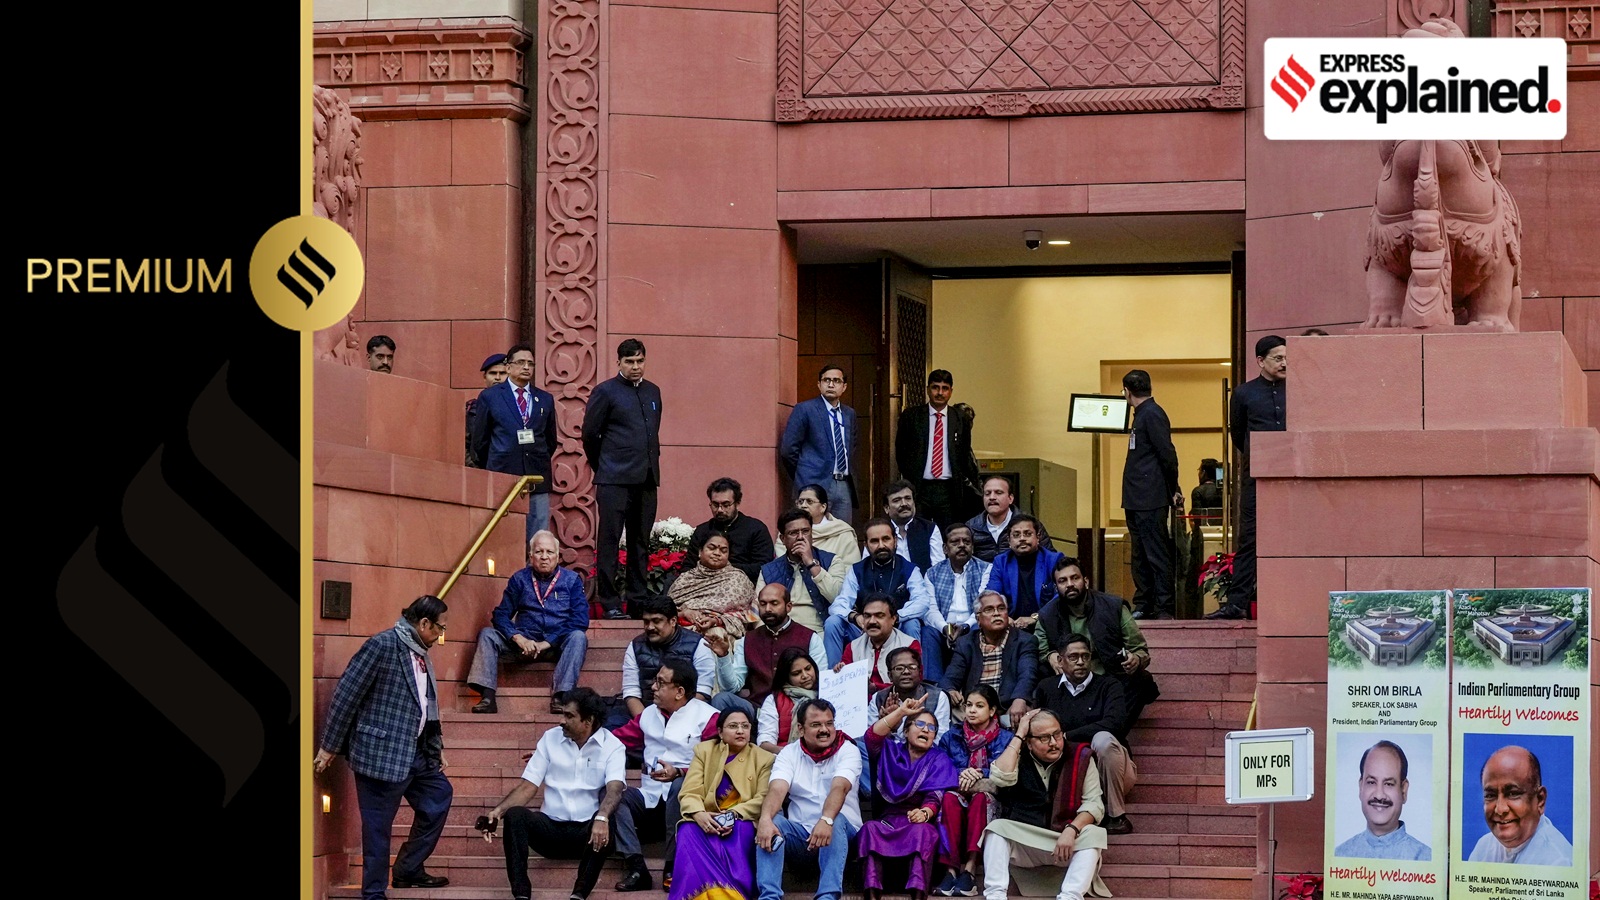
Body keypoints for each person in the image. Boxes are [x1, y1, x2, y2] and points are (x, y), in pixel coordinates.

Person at [314, 596, 453, 899]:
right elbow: (345, 696)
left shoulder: (421, 652)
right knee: (377, 830)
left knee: (439, 796)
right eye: (439, 629)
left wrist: (435, 744)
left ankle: (408, 869)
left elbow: (426, 702)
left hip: (416, 753)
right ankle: (374, 893)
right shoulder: (382, 645)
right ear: (423, 623)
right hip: (380, 755)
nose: (441, 635)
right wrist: (329, 747)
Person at [480, 688, 626, 900]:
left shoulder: (612, 746)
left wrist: (602, 817)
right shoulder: (550, 738)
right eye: (562, 714)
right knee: (515, 816)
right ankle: (521, 895)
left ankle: (579, 894)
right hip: (550, 830)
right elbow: (528, 786)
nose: (561, 721)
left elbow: (615, 789)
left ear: (588, 720)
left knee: (607, 819)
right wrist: (498, 811)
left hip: (588, 835)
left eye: (569, 716)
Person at [609, 659, 721, 891]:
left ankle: (672, 865)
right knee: (615, 796)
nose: (653, 687)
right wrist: (562, 745)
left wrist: (680, 772)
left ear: (679, 691)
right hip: (651, 796)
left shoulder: (709, 717)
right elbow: (613, 740)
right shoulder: (649, 714)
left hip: (689, 800)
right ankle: (637, 867)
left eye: (660, 683)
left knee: (679, 786)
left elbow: (717, 764)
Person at [982, 709, 1109, 900]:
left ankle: (1070, 896)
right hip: (1026, 840)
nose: (1053, 743)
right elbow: (1000, 778)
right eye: (1043, 738)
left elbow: (1094, 804)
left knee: (1094, 834)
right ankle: (995, 896)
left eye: (1057, 735)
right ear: (1029, 742)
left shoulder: (1080, 757)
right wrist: (1019, 735)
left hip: (1066, 842)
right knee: (996, 828)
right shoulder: (1017, 754)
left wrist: (1072, 829)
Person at [467, 530, 590, 714]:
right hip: (525, 644)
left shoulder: (571, 581)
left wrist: (548, 642)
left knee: (578, 637)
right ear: (531, 556)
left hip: (556, 645)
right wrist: (518, 638)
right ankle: (487, 697)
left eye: (549, 552)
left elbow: (580, 620)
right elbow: (501, 615)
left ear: (557, 557)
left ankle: (560, 697)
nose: (544, 557)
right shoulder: (520, 579)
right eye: (539, 552)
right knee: (487, 634)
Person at [583, 338, 663, 619]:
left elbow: (652, 434)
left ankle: (638, 600)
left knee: (640, 542)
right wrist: (603, 467)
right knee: (610, 539)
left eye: (640, 361)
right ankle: (610, 601)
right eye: (629, 362)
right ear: (618, 362)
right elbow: (590, 436)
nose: (635, 367)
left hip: (647, 478)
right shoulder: (605, 391)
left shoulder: (653, 391)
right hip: (613, 479)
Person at [755, 699, 864, 900]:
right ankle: (769, 897)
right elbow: (777, 789)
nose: (824, 729)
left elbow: (840, 787)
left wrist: (826, 820)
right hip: (802, 838)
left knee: (836, 819)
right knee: (773, 823)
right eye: (816, 725)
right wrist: (765, 819)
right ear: (801, 729)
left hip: (843, 837)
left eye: (829, 723)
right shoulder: (790, 752)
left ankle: (827, 897)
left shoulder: (848, 750)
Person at [1210, 335, 1286, 620]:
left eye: (1287, 357)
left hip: (1290, 475)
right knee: (1250, 539)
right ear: (1260, 361)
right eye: (1278, 358)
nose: (1284, 363)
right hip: (1256, 475)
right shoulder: (1243, 393)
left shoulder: (1297, 388)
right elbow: (1239, 434)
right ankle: (1237, 603)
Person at [1035, 557, 1159, 729]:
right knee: (1040, 674)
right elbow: (1039, 649)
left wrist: (1136, 659)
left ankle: (1109, 730)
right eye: (1063, 581)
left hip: (1107, 680)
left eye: (1075, 578)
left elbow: (1140, 650)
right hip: (1069, 684)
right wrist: (1049, 655)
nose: (1070, 584)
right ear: (1056, 587)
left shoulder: (1113, 607)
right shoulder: (1046, 615)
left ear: (1085, 581)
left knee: (1141, 679)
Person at [1032, 635, 1136, 835]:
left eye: (1085, 656)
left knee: (1103, 739)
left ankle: (1116, 816)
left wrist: (1065, 736)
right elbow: (1038, 727)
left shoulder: (1109, 685)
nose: (1080, 662)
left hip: (1112, 771)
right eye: (1073, 657)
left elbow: (1115, 724)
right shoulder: (1046, 687)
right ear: (1060, 661)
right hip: (1069, 772)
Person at [860, 698, 961, 900]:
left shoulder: (938, 758)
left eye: (932, 728)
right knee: (870, 828)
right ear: (906, 731)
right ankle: (872, 894)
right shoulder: (890, 751)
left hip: (917, 820)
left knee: (923, 832)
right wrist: (901, 711)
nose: (926, 730)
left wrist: (925, 812)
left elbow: (936, 796)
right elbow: (871, 737)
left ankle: (917, 893)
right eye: (920, 724)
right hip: (889, 821)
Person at [671, 709, 776, 900]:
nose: (740, 731)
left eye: (745, 726)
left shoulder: (764, 758)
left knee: (738, 832)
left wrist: (732, 814)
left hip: (741, 819)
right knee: (687, 829)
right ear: (720, 732)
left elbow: (763, 798)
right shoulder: (704, 751)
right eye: (733, 726)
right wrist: (698, 814)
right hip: (706, 817)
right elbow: (689, 791)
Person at [468, 342, 559, 541]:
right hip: (503, 474)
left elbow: (550, 440)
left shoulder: (544, 399)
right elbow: (480, 442)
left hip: (537, 476)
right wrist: (493, 465)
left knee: (538, 536)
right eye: (521, 362)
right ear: (508, 367)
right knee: (504, 535)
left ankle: (535, 572)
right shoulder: (490, 397)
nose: (526, 367)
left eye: (530, 363)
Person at [933, 685, 1014, 898]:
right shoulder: (951, 736)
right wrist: (964, 772)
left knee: (980, 799)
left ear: (992, 710)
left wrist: (980, 771)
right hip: (958, 790)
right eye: (969, 705)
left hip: (992, 797)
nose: (972, 710)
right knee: (950, 799)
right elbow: (940, 767)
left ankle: (968, 870)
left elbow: (1007, 769)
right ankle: (950, 871)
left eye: (979, 706)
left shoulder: (1006, 738)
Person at [826, 518, 935, 668]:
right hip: (865, 629)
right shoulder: (856, 570)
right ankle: (835, 680)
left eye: (886, 539)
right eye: (874, 541)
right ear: (866, 545)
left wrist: (894, 619)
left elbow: (922, 602)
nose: (881, 545)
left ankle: (912, 678)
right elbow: (838, 605)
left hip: (897, 629)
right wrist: (855, 617)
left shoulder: (909, 569)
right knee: (833, 623)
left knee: (912, 623)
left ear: (895, 541)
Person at [1120, 369, 1180, 621]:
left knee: (1155, 553)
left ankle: (1164, 607)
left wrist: (1173, 488)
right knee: (1140, 554)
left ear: (1127, 391)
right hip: (1137, 497)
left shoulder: (1152, 414)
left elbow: (1167, 454)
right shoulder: (1143, 415)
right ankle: (1144, 603)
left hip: (1150, 497)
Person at [895, 369, 981, 530]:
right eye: (935, 387)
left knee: (948, 534)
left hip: (949, 489)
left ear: (951, 391)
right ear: (928, 389)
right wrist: (910, 477)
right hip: (920, 488)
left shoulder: (960, 418)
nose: (940, 393)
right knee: (918, 532)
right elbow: (901, 451)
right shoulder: (912, 416)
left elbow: (964, 455)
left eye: (945, 388)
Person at [941, 590, 1039, 725]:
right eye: (989, 610)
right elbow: (950, 678)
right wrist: (950, 690)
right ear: (978, 619)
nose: (997, 613)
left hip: (1007, 708)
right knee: (946, 707)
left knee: (1026, 712)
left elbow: (1028, 674)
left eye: (1001, 608)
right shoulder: (966, 643)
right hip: (974, 709)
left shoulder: (1025, 640)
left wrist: (1020, 698)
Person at [1467, 745, 1573, 865]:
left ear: (1540, 800)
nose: (1500, 809)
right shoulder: (1483, 848)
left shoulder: (1558, 861)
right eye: (1491, 795)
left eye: (1513, 793)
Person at [781, 364, 859, 525]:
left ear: (844, 387)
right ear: (819, 384)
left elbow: (852, 448)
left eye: (836, 381)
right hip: (812, 483)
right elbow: (788, 450)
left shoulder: (849, 413)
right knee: (810, 532)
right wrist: (804, 472)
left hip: (843, 484)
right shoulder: (805, 409)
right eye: (826, 380)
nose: (831, 384)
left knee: (842, 534)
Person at [756, 508, 850, 636]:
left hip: (819, 633)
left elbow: (837, 598)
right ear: (783, 539)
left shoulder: (832, 561)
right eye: (793, 533)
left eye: (805, 531)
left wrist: (811, 564)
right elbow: (758, 609)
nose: (801, 537)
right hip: (780, 632)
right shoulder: (768, 570)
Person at [1333, 740, 1431, 861]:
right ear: (1361, 787)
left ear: (1403, 791)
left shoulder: (1425, 858)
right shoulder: (1340, 855)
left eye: (1389, 784)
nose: (1379, 795)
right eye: (1371, 782)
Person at [621, 596, 717, 718]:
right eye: (646, 621)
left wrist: (676, 721)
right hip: (643, 715)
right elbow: (631, 692)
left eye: (656, 621)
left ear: (673, 621)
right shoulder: (635, 646)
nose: (649, 627)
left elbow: (702, 692)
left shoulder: (698, 645)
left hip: (688, 716)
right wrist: (646, 723)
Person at [743, 581, 826, 705]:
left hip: (798, 707)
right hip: (756, 707)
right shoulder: (747, 639)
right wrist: (723, 657)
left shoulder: (810, 638)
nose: (767, 609)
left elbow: (821, 681)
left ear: (789, 607)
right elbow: (732, 686)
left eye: (774, 603)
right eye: (763, 604)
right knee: (723, 699)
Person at [925, 523, 992, 676]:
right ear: (945, 549)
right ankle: (933, 684)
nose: (962, 545)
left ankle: (977, 681)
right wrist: (945, 628)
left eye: (966, 542)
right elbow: (930, 610)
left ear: (973, 547)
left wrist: (965, 626)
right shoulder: (932, 573)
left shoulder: (986, 569)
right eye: (955, 542)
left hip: (972, 625)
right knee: (928, 632)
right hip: (943, 628)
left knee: (980, 628)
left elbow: (983, 606)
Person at [683, 477, 775, 585]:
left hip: (742, 585)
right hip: (703, 584)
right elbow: (688, 566)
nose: (720, 510)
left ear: (737, 503)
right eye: (715, 505)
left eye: (726, 505)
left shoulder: (756, 528)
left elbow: (763, 567)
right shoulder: (702, 530)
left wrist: (723, 568)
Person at [668, 533, 755, 642]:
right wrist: (685, 612)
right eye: (712, 548)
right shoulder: (685, 578)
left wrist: (716, 620)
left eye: (723, 551)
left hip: (721, 630)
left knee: (715, 635)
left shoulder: (738, 579)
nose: (717, 553)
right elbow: (666, 612)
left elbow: (747, 615)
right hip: (682, 627)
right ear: (700, 552)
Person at [984, 514, 1063, 625]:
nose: (1022, 539)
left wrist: (1036, 618)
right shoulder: (1001, 562)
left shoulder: (1053, 560)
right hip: (1011, 625)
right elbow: (992, 595)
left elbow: (1061, 595)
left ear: (1038, 537)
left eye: (1027, 534)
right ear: (1009, 541)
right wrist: (1004, 617)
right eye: (1016, 535)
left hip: (1046, 624)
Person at [837, 594, 922, 696]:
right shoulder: (853, 647)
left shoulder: (909, 645)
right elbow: (845, 686)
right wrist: (840, 672)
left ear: (893, 619)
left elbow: (915, 684)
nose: (872, 621)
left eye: (879, 616)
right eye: (867, 616)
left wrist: (875, 688)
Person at [964, 475, 1055, 563]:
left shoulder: (1029, 523)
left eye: (998, 493)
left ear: (1010, 498)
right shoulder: (971, 526)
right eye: (987, 493)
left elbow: (1051, 558)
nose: (992, 497)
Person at [868, 645, 953, 737]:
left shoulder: (938, 697)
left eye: (912, 667)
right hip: (887, 751)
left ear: (920, 672)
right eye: (899, 668)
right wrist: (888, 725)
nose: (906, 672)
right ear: (890, 675)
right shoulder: (878, 698)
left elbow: (940, 740)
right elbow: (869, 740)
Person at [758, 647, 820, 754]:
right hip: (785, 759)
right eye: (796, 673)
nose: (805, 676)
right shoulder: (774, 700)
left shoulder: (827, 692)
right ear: (786, 677)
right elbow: (765, 743)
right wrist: (793, 754)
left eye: (808, 668)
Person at [792, 483, 864, 565]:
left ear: (823, 507)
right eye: (800, 502)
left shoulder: (843, 533)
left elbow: (850, 569)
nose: (803, 505)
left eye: (809, 501)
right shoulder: (789, 531)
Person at [884, 478, 945, 573]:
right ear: (886, 508)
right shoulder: (878, 531)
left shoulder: (929, 529)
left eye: (908, 498)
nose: (904, 504)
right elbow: (868, 568)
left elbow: (938, 569)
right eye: (897, 500)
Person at [464, 352, 507, 467]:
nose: (497, 378)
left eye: (502, 373)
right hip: (481, 471)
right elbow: (464, 444)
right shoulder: (471, 408)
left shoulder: (521, 406)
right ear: (485, 377)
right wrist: (476, 466)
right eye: (493, 373)